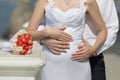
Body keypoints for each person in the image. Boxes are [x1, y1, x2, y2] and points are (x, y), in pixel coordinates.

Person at [27, 0, 108, 80]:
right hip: (51, 62)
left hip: (79, 62)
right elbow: (29, 34)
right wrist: (46, 33)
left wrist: (93, 49)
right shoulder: (44, 1)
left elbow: (103, 31)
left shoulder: (88, 2)